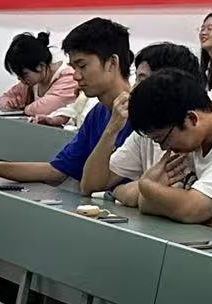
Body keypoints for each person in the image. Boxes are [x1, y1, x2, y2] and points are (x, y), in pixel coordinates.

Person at [0, 17, 135, 187]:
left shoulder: (141, 113)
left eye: (82, 66)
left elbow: (94, 186)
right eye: (74, 68)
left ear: (112, 63)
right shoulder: (97, 114)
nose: (76, 76)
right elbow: (57, 171)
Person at [125, 70, 212, 223]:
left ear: (192, 119)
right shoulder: (195, 137)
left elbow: (192, 210)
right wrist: (153, 196)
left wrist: (147, 187)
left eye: (163, 140)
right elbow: (132, 196)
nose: (164, 148)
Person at [86, 42, 203, 196]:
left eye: (142, 80)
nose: (132, 90)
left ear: (170, 82)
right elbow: (90, 186)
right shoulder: (147, 129)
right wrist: (112, 128)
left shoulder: (194, 130)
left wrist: (133, 190)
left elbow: (185, 203)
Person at [0, 30, 80, 125]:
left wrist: (23, 108)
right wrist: (10, 104)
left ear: (40, 66)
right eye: (18, 75)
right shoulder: (31, 82)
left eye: (24, 74)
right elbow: (3, 99)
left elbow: (44, 108)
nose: (20, 79)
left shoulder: (69, 77)